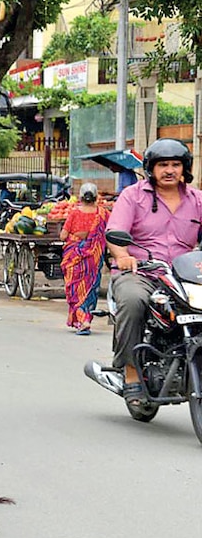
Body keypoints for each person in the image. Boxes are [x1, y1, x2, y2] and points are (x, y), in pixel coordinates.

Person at [104, 138, 202, 403]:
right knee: (133, 301)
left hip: (186, 278)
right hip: (142, 273)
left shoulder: (198, 199)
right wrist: (123, 255)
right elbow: (115, 233)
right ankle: (131, 371)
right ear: (151, 168)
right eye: (163, 165)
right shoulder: (133, 196)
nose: (169, 170)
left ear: (185, 168)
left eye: (175, 164)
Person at [59, 182, 109, 335]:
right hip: (94, 258)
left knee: (75, 288)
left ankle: (83, 320)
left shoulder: (74, 213)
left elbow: (63, 236)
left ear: (80, 197)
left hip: (73, 256)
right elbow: (110, 232)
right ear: (96, 198)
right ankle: (86, 317)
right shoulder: (104, 214)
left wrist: (77, 237)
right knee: (90, 287)